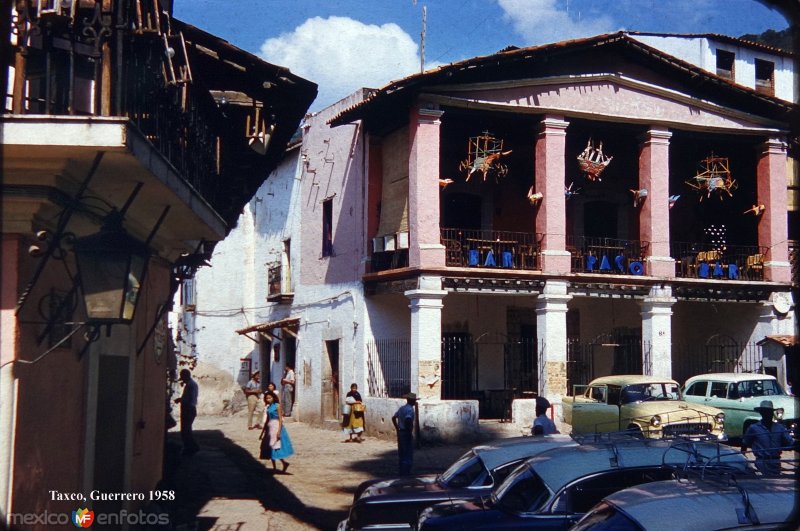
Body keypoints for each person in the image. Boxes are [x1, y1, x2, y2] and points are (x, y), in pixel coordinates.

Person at [741, 400, 794, 475]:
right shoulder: (754, 428)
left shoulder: (780, 428)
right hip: (761, 462)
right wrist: (743, 459)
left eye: (769, 412)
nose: (768, 414)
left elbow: (790, 442)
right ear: (762, 413)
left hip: (776, 462)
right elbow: (745, 443)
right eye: (765, 412)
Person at [259, 391, 294, 473]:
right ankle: (276, 467)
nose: (268, 400)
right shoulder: (268, 407)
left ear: (273, 398)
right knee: (269, 448)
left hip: (276, 427)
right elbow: (267, 420)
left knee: (276, 447)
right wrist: (262, 432)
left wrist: (279, 431)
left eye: (270, 398)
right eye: (267, 398)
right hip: (270, 428)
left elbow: (280, 419)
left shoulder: (277, 406)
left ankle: (282, 463)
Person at [174, 369, 199, 455]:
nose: (183, 380)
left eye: (183, 378)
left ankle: (191, 447)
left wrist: (181, 400)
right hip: (190, 408)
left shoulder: (190, 385)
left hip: (188, 409)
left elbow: (189, 399)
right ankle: (191, 446)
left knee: (185, 430)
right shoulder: (192, 384)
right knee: (187, 429)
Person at [392, 392, 417, 475]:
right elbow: (408, 419)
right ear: (412, 401)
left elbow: (394, 417)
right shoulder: (410, 409)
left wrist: (397, 428)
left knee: (402, 452)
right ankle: (406, 472)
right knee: (408, 452)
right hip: (406, 432)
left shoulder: (402, 408)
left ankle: (401, 471)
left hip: (400, 432)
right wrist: (409, 430)